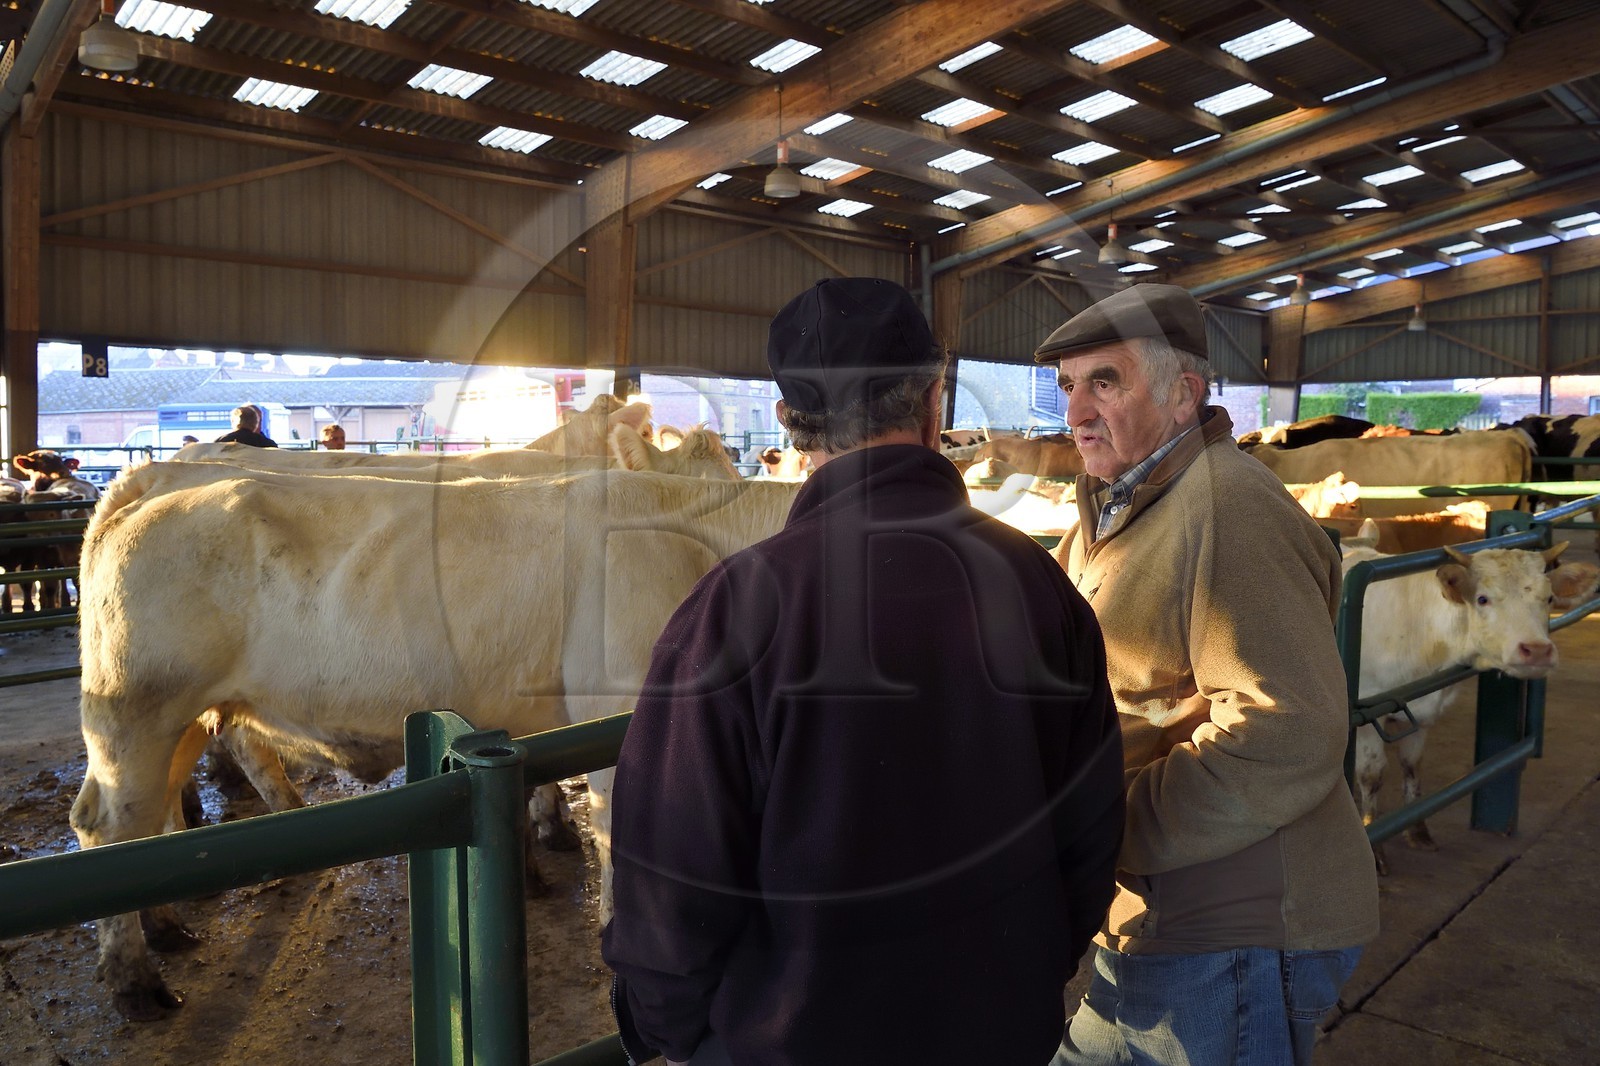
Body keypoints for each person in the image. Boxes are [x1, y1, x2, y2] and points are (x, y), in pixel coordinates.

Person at [602, 277, 1125, 1066]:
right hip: (998, 1037)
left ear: (788, 420)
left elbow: (670, 884)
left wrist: (674, 1035)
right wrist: (1019, 981)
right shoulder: (1039, 583)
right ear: (933, 403)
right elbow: (1089, 833)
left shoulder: (733, 610)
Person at [1036, 284, 1380, 1066]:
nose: (1076, 411)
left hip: (1233, 927)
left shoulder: (1226, 508)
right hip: (1153, 913)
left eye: (1106, 382)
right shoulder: (1113, 509)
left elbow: (1285, 727)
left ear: (1183, 393)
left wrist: (1112, 824)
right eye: (1068, 385)